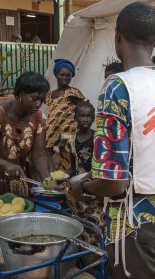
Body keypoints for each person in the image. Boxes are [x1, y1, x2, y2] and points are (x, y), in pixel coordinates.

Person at [70, 2, 155, 278]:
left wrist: (83, 187)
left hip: (135, 224)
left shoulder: (118, 86)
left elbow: (114, 183)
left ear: (117, 36)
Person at [66, 100, 106, 246]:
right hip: (78, 192)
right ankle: (85, 253)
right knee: (81, 224)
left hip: (94, 188)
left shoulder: (98, 139)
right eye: (81, 116)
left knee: (99, 223)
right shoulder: (71, 141)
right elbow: (73, 167)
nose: (85, 119)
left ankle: (99, 253)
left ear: (94, 118)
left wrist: (85, 181)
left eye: (89, 116)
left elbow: (101, 166)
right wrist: (62, 177)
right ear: (75, 117)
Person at [45, 59, 85, 172]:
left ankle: (66, 182)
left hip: (69, 131)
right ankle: (49, 175)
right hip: (52, 129)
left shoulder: (74, 93)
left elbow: (82, 110)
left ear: (72, 76)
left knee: (68, 156)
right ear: (56, 75)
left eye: (68, 75)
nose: (65, 78)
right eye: (61, 74)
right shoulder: (50, 95)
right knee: (47, 152)